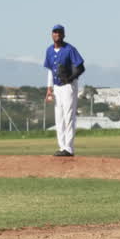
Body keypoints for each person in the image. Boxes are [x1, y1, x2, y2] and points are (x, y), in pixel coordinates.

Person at [43, 24, 85, 157]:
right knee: (59, 118)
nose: (57, 35)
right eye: (55, 32)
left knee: (68, 117)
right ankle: (62, 147)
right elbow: (50, 71)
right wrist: (49, 89)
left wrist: (70, 78)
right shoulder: (49, 50)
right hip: (56, 88)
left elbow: (81, 67)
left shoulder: (69, 49)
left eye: (60, 32)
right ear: (51, 34)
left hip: (68, 87)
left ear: (64, 35)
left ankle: (69, 148)